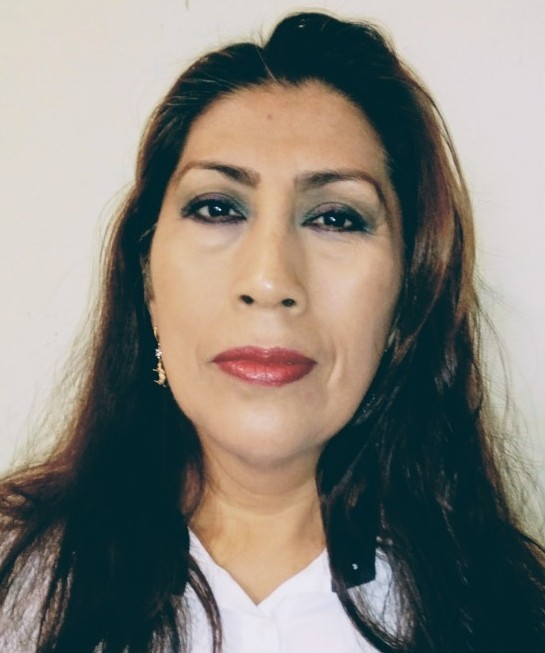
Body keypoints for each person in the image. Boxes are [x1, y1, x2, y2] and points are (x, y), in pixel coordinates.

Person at [1, 10, 544, 653]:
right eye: (218, 208)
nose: (268, 279)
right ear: (147, 280)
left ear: (407, 294)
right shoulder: (16, 581)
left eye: (335, 218)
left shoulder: (517, 614)